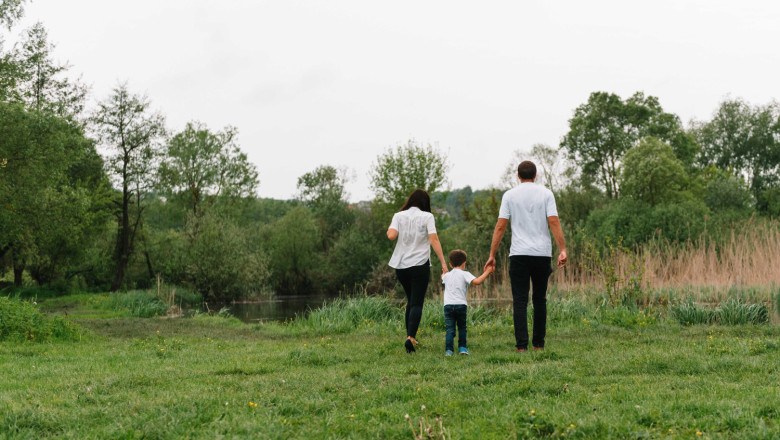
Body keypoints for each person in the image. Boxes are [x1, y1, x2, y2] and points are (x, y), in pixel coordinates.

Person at [484, 161, 567, 352]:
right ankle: (538, 344)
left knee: (519, 300)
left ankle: (521, 346)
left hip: (519, 254)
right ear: (535, 174)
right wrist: (562, 248)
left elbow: (500, 226)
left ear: (518, 176)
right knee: (540, 299)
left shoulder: (509, 196)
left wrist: (492, 254)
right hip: (542, 254)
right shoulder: (546, 194)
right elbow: (553, 221)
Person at [387, 189, 448, 354]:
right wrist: (443, 263)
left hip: (401, 266)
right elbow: (433, 239)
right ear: (424, 203)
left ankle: (410, 336)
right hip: (420, 264)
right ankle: (410, 338)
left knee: (410, 300)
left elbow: (391, 236)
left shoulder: (398, 215)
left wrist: (393, 228)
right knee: (416, 302)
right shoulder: (427, 217)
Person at [441, 249, 493, 356]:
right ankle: (462, 348)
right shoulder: (465, 274)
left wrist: (444, 271)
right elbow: (477, 282)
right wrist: (487, 272)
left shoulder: (446, 276)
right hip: (461, 305)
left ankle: (449, 350)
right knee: (462, 327)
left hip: (448, 306)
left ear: (450, 264)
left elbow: (443, 276)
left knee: (450, 329)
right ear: (464, 263)